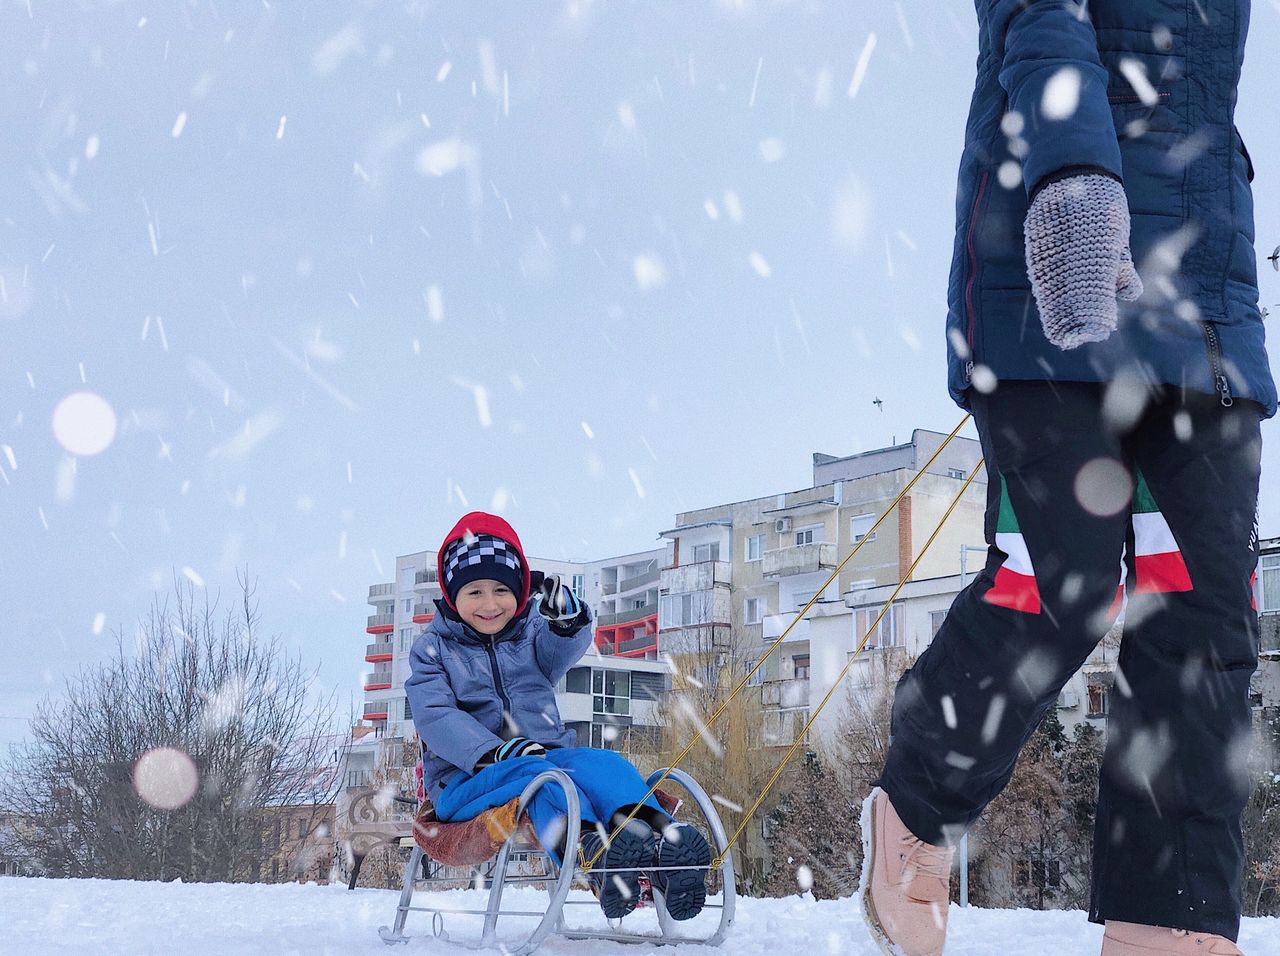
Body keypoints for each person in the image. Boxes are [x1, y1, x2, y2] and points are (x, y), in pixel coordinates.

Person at [860, 3, 1275, 955]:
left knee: (1203, 616)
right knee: (1064, 587)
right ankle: (917, 806)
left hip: (1207, 288)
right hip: (1056, 249)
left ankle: (1164, 922)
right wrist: (1073, 168)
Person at [404, 511, 711, 921]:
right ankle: (591, 851)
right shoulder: (433, 650)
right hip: (467, 780)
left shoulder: (529, 634)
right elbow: (435, 716)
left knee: (603, 764)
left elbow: (559, 650)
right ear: (452, 595)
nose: (490, 603)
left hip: (544, 753)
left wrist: (566, 621)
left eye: (501, 590)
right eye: (474, 592)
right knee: (544, 782)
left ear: (518, 591)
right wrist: (491, 752)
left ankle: (656, 841)